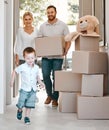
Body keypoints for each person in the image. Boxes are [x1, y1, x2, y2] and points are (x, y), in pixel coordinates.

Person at [38, 5, 71, 107]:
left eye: (52, 12)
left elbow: (68, 40)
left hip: (58, 57)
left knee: (56, 77)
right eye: (48, 12)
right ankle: (49, 95)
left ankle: (55, 98)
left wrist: (66, 50)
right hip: (46, 57)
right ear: (46, 13)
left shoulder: (63, 25)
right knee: (46, 76)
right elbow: (39, 41)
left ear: (55, 12)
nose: (50, 14)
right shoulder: (43, 26)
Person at [10, 47, 45, 124]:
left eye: (32, 58)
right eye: (28, 58)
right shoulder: (22, 67)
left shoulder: (36, 67)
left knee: (29, 105)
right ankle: (19, 110)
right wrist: (12, 80)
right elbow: (15, 71)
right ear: (24, 58)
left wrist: (41, 83)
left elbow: (37, 77)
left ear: (35, 58)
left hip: (33, 90)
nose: (30, 60)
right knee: (21, 104)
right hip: (24, 90)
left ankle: (27, 117)